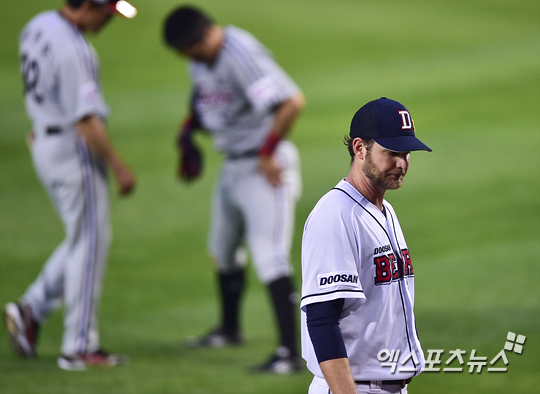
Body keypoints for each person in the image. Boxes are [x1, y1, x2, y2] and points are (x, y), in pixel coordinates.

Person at [163, 5, 305, 374]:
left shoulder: (239, 53)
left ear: (208, 35)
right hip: (232, 165)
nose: (190, 59)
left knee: (269, 254)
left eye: (192, 50)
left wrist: (268, 149)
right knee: (222, 250)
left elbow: (292, 101)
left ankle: (290, 353)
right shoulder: (201, 59)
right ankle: (229, 330)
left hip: (264, 166)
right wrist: (186, 131)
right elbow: (203, 99)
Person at [3, 0, 137, 371]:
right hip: (71, 147)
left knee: (83, 237)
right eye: (105, 12)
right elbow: (86, 121)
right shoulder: (75, 49)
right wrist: (119, 166)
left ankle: (31, 309)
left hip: (44, 141)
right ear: (88, 6)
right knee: (91, 240)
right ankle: (79, 347)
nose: (107, 20)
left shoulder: (38, 25)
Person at [300, 97, 431, 393]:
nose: (402, 163)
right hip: (354, 387)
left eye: (407, 153)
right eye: (392, 153)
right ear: (360, 148)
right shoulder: (335, 215)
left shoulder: (384, 210)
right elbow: (321, 319)